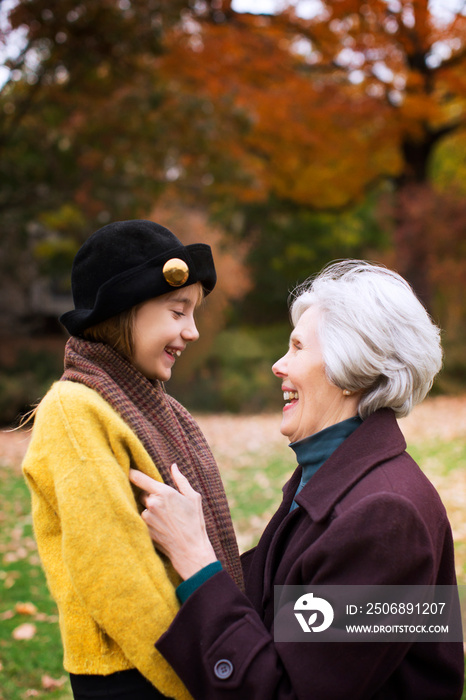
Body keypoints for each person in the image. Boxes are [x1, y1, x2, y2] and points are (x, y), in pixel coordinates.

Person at [130, 260, 464, 700]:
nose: (278, 365)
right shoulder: (328, 477)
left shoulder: (386, 516)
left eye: (298, 347)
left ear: (353, 369)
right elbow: (280, 622)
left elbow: (287, 693)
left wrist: (194, 555)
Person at [22, 220, 243, 700]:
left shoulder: (153, 405)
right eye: (178, 311)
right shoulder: (73, 410)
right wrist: (203, 683)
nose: (193, 331)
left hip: (174, 655)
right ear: (126, 310)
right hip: (134, 672)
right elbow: (119, 581)